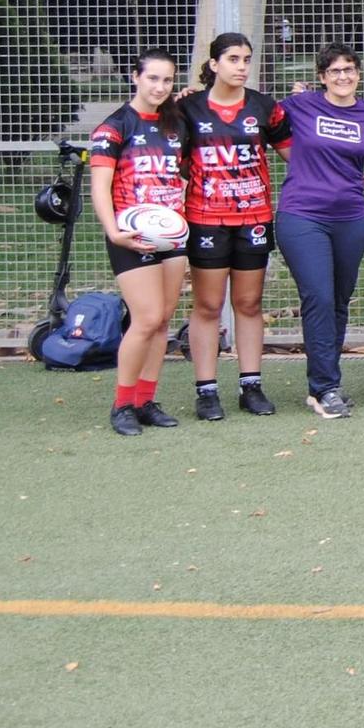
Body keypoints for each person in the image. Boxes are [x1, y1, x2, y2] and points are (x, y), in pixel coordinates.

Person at [178, 32, 289, 421]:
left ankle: (251, 385)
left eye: (246, 59)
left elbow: (295, 154)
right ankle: (206, 391)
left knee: (248, 303)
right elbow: (170, 157)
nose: (242, 67)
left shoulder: (264, 107)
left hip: (254, 218)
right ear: (213, 65)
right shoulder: (188, 107)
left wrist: (340, 174)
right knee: (208, 305)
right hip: (206, 218)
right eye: (233, 59)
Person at [274, 44, 364, 419]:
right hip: (303, 216)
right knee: (318, 296)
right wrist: (191, 96)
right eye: (335, 71)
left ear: (358, 74)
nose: (343, 77)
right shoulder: (299, 106)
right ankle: (324, 389)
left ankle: (326, 384)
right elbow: (249, 113)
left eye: (349, 70)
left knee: (338, 300)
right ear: (321, 77)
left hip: (351, 218)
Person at [91, 49, 189, 436]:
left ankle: (146, 401)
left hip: (170, 235)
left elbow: (180, 173)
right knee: (146, 318)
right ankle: (122, 405)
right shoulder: (114, 126)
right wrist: (113, 229)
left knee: (163, 319)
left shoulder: (176, 125)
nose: (160, 87)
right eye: (153, 79)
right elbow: (100, 186)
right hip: (130, 235)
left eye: (167, 80)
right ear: (135, 77)